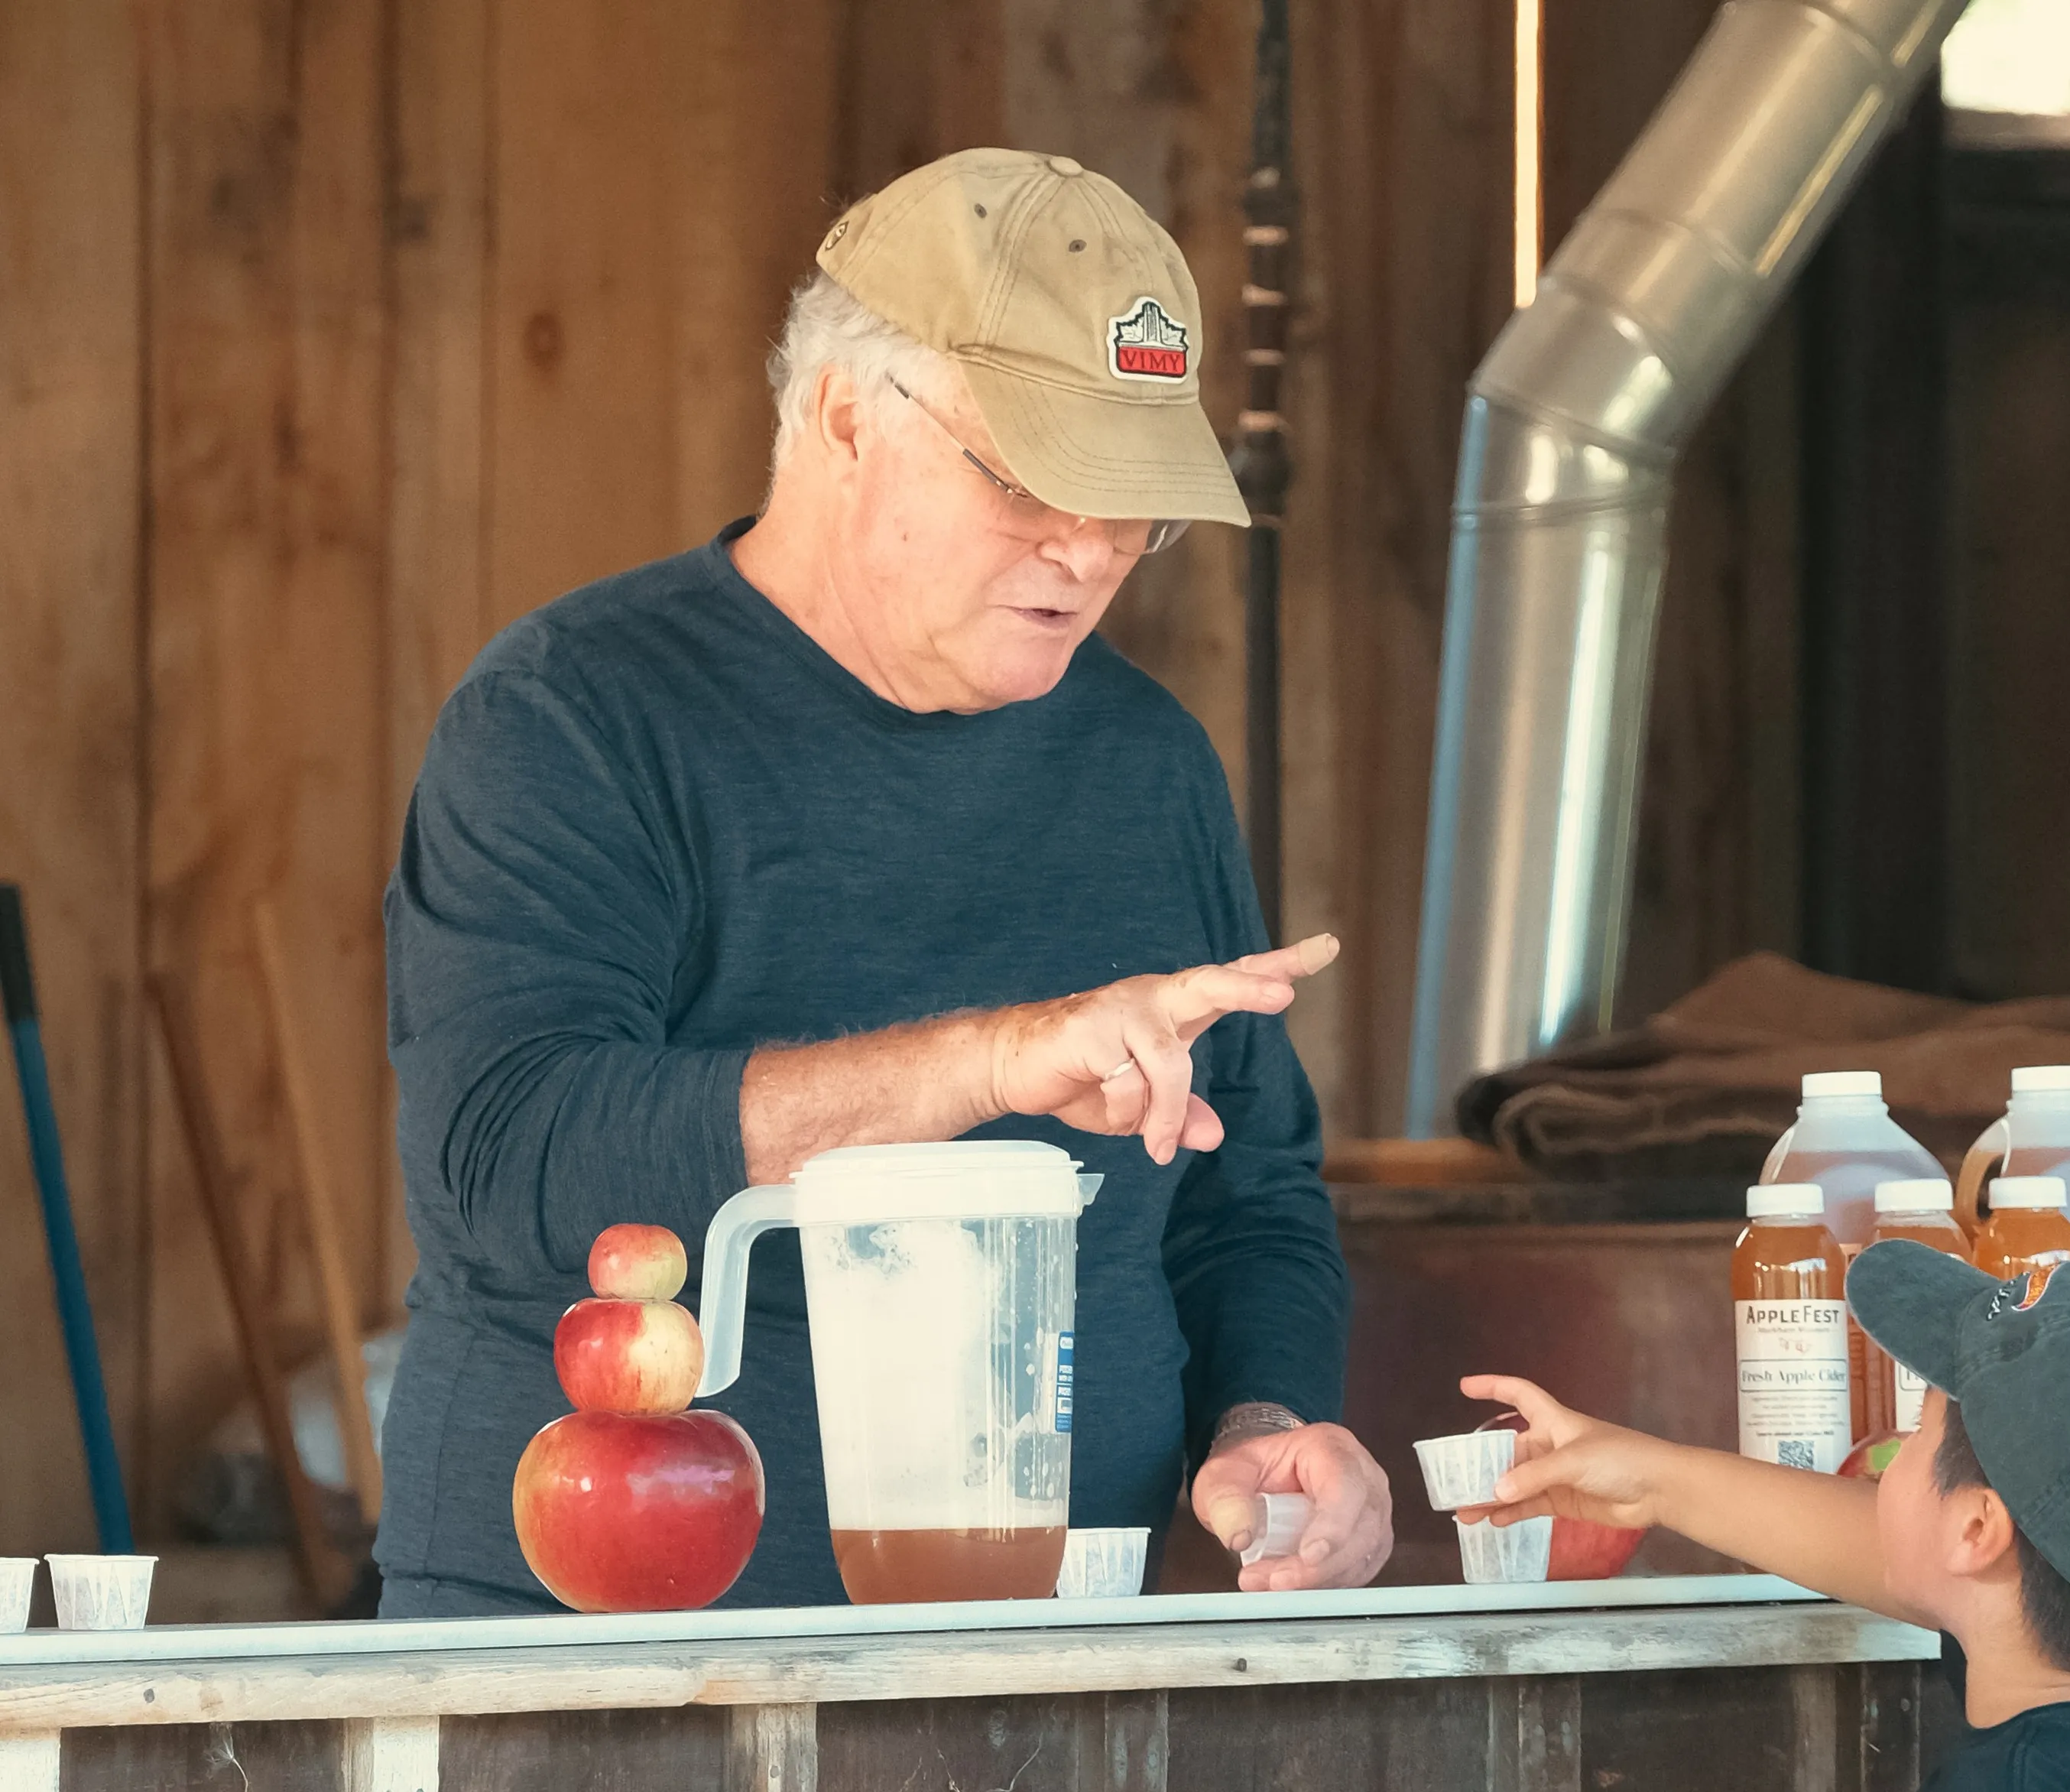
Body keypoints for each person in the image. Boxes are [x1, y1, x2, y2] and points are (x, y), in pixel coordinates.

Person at [378, 148, 1394, 1615]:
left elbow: (1248, 1196)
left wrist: (1266, 1427)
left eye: (1139, 505)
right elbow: (515, 1160)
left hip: (1045, 1661)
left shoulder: (1144, 758)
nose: (1093, 547)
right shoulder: (575, 712)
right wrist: (988, 1061)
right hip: (599, 1664)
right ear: (848, 412)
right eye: (1036, 476)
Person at [1462, 1245, 2070, 1790]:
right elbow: (1912, 1552)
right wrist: (1651, 1480)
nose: (1891, 1449)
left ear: (1975, 1531)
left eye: (1918, 1432)